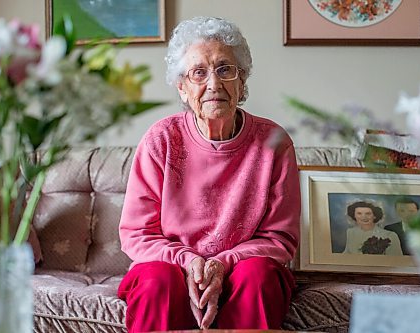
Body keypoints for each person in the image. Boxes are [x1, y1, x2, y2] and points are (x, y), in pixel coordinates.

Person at [117, 16, 301, 332]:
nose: (213, 84)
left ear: (242, 82)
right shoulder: (161, 140)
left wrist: (222, 263)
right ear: (183, 88)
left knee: (257, 276)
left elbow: (280, 237)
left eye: (225, 70)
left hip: (244, 269)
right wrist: (190, 263)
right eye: (199, 73)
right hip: (171, 267)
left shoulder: (274, 143)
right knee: (157, 280)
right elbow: (136, 233)